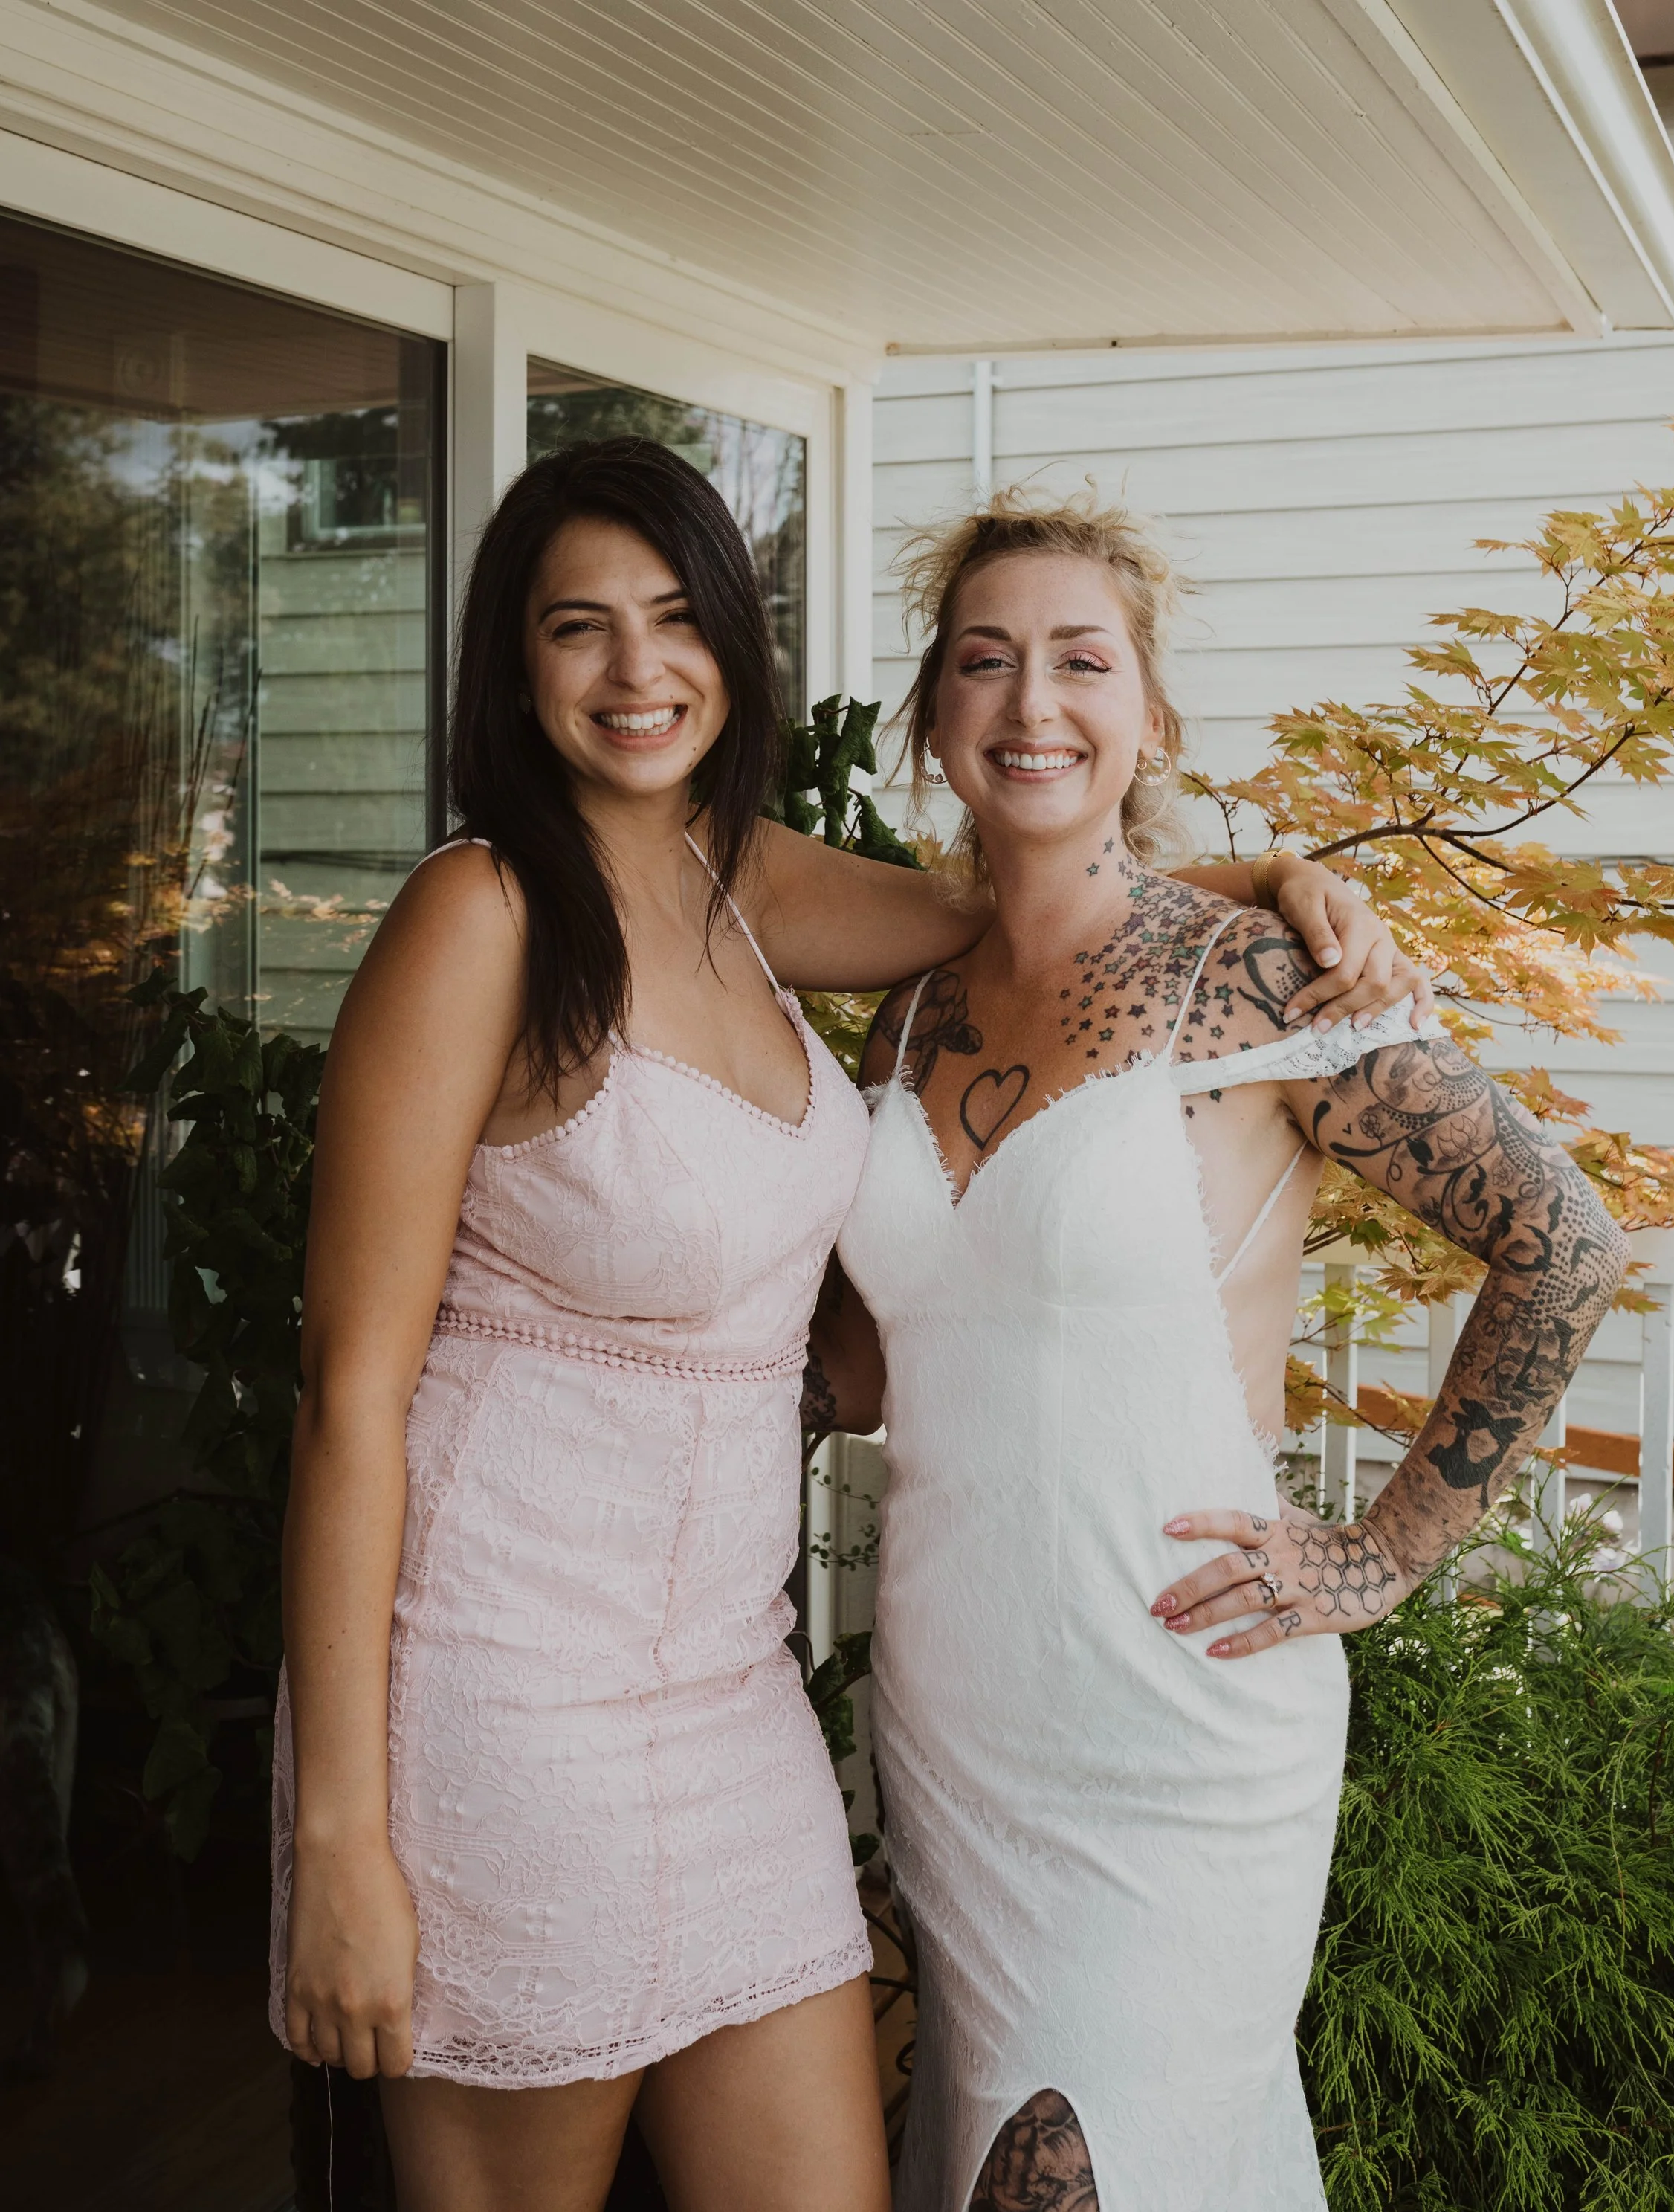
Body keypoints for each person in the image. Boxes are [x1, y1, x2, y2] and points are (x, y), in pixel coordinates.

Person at [271, 438, 1425, 2212]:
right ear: (514, 666)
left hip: (730, 1705)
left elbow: (1025, 901)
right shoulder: (481, 915)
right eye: (576, 628)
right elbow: (351, 1395)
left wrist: (1265, 887)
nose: (635, 669)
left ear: (732, 641)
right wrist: (340, 1834)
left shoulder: (745, 881)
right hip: (497, 1692)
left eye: (672, 619)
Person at [817, 490, 1629, 2212]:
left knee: (1084, 2170)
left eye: (1079, 660)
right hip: (957, 1714)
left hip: (1178, 1707)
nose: (1031, 701)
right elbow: (874, 1358)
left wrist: (1385, 1547)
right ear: (932, 718)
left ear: (1150, 718)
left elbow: (1562, 1238)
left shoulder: (1254, 978)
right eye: (984, 661)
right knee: (979, 2158)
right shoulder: (903, 1007)